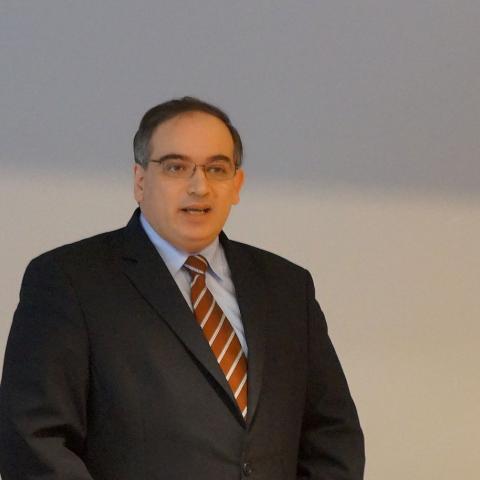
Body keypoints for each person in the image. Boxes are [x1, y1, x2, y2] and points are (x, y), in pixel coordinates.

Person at [0, 96, 365, 479]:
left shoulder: (287, 287)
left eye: (217, 169)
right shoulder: (69, 280)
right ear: (140, 181)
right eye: (176, 167)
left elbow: (333, 435)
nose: (199, 187)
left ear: (236, 185)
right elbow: (35, 443)